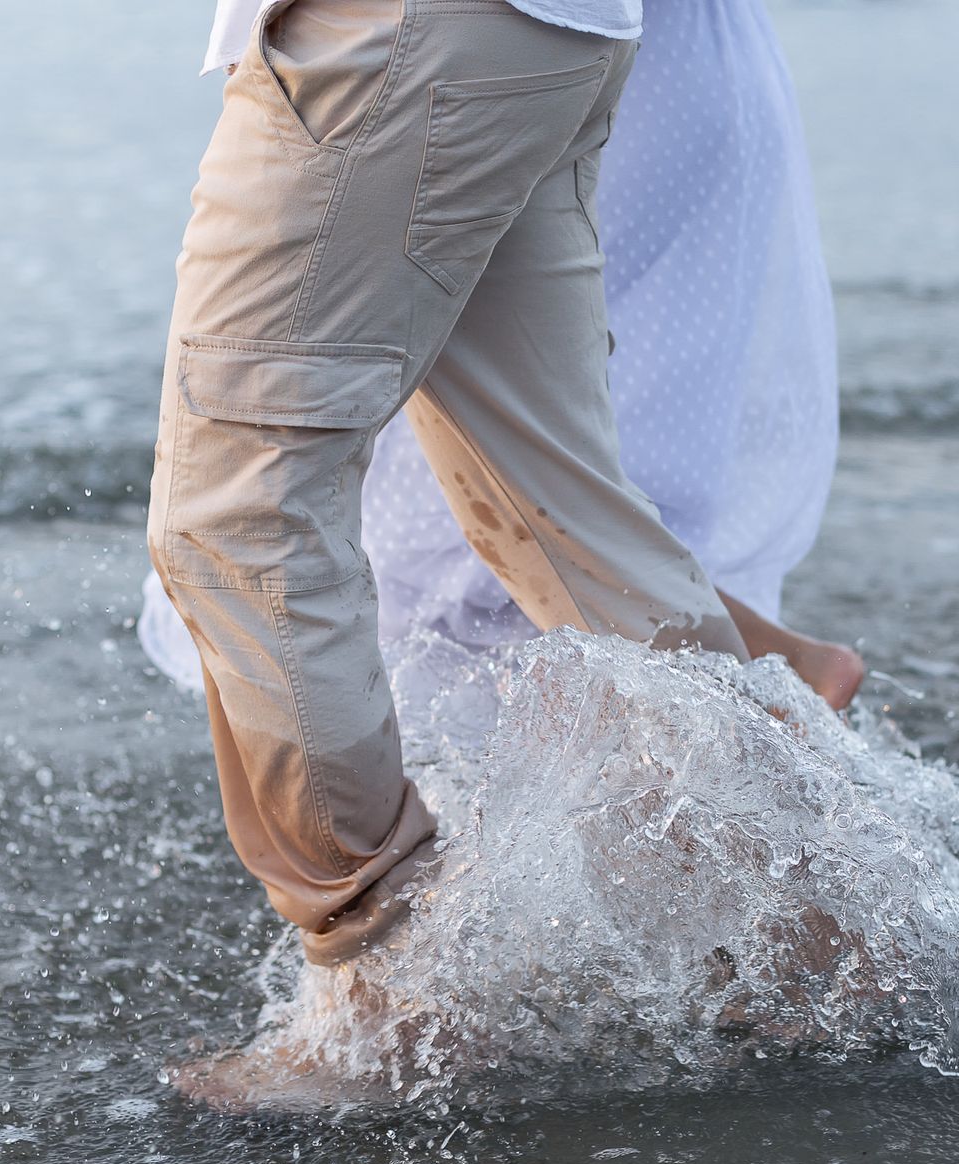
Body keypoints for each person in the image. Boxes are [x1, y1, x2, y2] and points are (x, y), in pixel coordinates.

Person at [148, 0, 851, 971]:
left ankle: (386, 985)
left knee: (238, 513)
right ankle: (813, 916)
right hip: (533, 31)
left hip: (409, 31)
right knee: (548, 511)